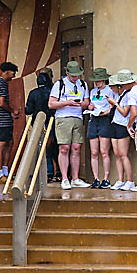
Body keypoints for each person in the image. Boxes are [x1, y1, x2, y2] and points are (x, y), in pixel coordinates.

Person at [49, 60, 90, 189]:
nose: (75, 78)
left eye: (77, 75)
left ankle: (76, 178)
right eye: (73, 75)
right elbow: (51, 104)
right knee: (64, 148)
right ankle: (65, 178)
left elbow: (86, 101)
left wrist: (82, 104)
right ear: (67, 73)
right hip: (63, 118)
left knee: (77, 148)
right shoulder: (59, 84)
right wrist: (67, 102)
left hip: (78, 117)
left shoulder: (83, 84)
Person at [24, 68, 59, 182]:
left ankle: (47, 173)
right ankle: (58, 172)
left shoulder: (33, 93)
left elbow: (28, 110)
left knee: (43, 148)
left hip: (39, 124)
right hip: (53, 121)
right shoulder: (53, 91)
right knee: (55, 148)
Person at [85, 68, 117, 189]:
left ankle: (106, 178)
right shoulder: (93, 91)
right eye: (95, 81)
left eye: (98, 81)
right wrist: (91, 107)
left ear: (103, 80)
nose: (96, 83)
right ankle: (96, 178)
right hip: (93, 119)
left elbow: (111, 107)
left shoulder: (109, 91)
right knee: (94, 152)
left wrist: (103, 113)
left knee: (104, 151)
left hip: (104, 120)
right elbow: (91, 104)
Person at [0, 61, 21, 179]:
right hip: (2, 120)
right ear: (7, 72)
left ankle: (5, 172)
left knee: (9, 144)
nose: (14, 76)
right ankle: (0, 174)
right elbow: (1, 102)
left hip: (3, 120)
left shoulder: (0, 83)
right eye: (13, 73)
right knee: (2, 145)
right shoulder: (2, 84)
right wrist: (12, 111)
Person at [106, 72, 135, 189]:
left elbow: (124, 113)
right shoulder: (117, 95)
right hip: (114, 124)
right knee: (117, 154)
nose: (111, 88)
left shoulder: (127, 95)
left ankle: (130, 180)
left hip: (123, 125)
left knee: (123, 154)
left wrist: (115, 104)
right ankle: (120, 179)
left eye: (112, 86)